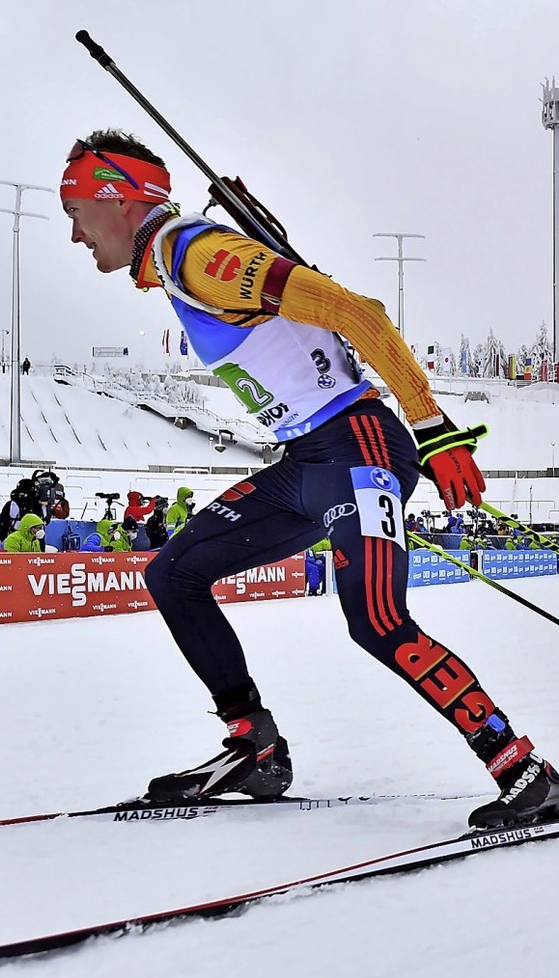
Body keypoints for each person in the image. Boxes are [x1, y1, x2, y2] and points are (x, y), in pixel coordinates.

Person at [60, 129, 559, 829]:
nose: (74, 234)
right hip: (308, 462)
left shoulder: (197, 255)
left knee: (377, 620)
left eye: (75, 210)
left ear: (115, 200)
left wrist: (435, 426)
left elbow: (360, 313)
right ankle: (253, 747)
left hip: (359, 446)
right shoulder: (178, 265)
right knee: (174, 572)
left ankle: (523, 769)